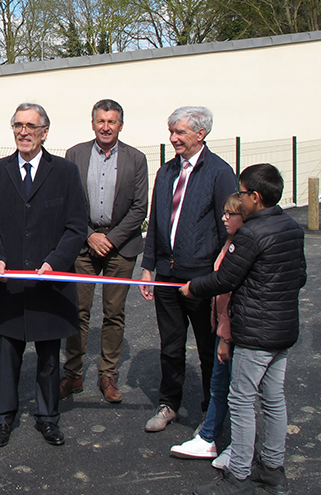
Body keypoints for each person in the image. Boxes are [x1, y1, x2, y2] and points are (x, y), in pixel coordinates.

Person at [183, 164, 306, 495]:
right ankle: (272, 469)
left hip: (255, 333)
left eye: (241, 192)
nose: (237, 198)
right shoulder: (292, 227)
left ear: (255, 197)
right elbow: (300, 276)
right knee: (273, 399)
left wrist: (193, 287)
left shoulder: (251, 234)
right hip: (283, 330)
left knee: (240, 399)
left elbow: (225, 279)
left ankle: (238, 475)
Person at [0, 102, 87, 447]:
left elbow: (76, 227)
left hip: (49, 282)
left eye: (30, 126)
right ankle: (3, 418)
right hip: (8, 282)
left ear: (45, 132)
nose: (23, 131)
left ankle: (48, 417)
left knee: (48, 357)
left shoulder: (66, 173)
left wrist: (55, 263)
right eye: (18, 125)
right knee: (8, 355)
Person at [139, 106, 236, 432]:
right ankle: (169, 404)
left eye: (179, 132)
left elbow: (228, 230)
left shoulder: (220, 173)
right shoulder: (166, 172)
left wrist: (220, 278)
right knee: (171, 346)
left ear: (200, 133)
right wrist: (148, 266)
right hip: (166, 275)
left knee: (209, 350)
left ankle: (212, 412)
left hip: (202, 279)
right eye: (171, 132)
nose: (173, 138)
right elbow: (154, 223)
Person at [61, 99, 148, 403]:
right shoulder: (75, 154)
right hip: (83, 246)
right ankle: (72, 374)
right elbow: (67, 202)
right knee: (77, 311)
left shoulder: (136, 159)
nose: (106, 127)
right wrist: (89, 236)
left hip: (121, 248)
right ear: (93, 123)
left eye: (112, 122)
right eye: (101, 121)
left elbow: (140, 207)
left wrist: (110, 239)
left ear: (120, 125)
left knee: (114, 314)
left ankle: (107, 374)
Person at [170, 193, 247, 465]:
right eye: (224, 212)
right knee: (221, 384)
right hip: (226, 328)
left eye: (230, 214)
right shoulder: (230, 242)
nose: (224, 218)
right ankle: (211, 437)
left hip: (233, 331)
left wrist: (225, 336)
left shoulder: (243, 246)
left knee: (233, 389)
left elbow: (228, 289)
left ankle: (229, 446)